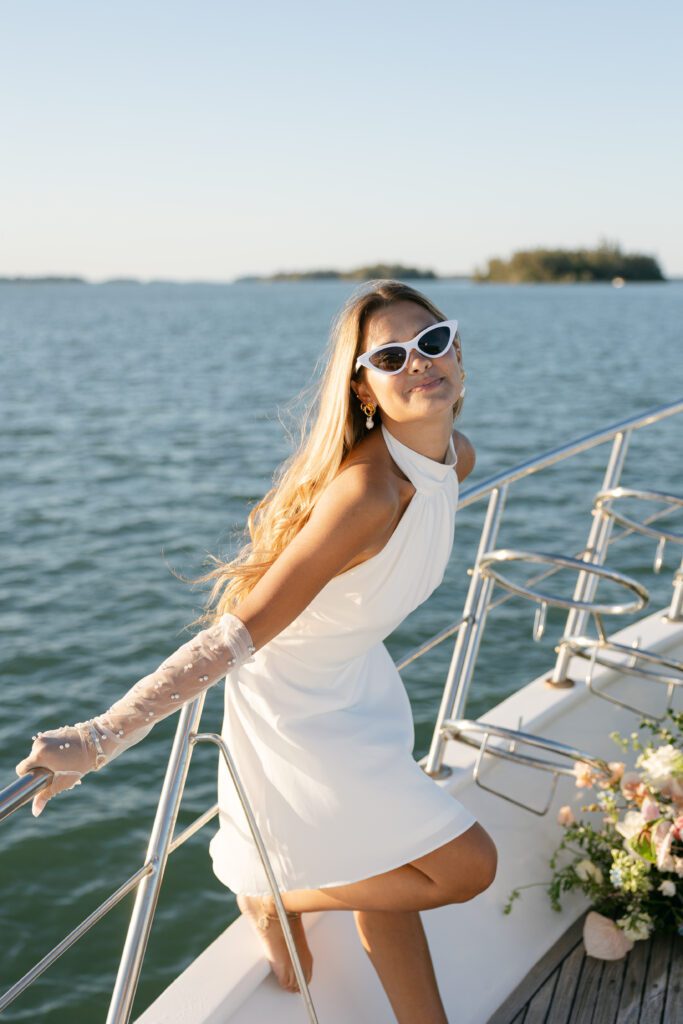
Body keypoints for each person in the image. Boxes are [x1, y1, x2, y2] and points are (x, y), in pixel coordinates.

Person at [16, 279, 498, 1024]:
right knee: (468, 867)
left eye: (431, 343)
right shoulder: (364, 495)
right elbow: (236, 633)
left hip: (357, 684)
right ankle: (267, 897)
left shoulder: (453, 459)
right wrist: (102, 736)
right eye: (391, 356)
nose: (418, 364)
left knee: (384, 855)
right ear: (364, 389)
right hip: (297, 703)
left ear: (457, 352)